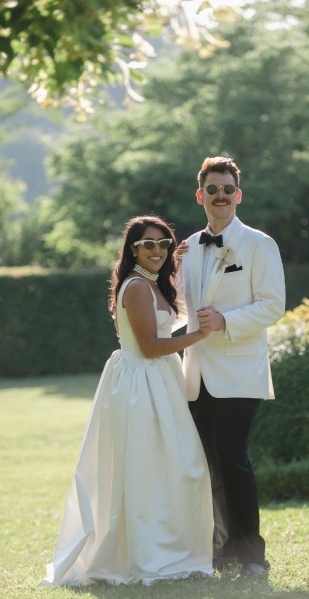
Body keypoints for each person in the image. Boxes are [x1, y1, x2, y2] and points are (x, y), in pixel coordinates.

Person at [40, 215, 213, 587]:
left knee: (173, 468)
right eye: (148, 244)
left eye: (164, 244)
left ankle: (171, 549)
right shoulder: (136, 287)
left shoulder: (153, 285)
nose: (157, 251)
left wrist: (179, 269)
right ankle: (146, 556)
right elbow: (150, 346)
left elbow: (168, 321)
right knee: (146, 470)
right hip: (141, 385)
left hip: (158, 383)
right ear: (132, 249)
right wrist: (200, 335)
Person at [174, 156, 285, 576]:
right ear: (200, 195)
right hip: (196, 372)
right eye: (212, 189)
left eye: (227, 189)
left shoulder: (259, 243)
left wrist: (227, 321)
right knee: (210, 465)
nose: (220, 196)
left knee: (233, 458)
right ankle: (222, 552)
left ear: (238, 195)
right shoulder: (187, 246)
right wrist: (172, 281)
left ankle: (252, 556)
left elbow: (273, 304)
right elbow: (185, 307)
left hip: (239, 370)